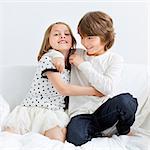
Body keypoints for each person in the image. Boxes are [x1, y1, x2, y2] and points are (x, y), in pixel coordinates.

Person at [2, 22, 101, 143]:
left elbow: (93, 53)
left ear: (72, 40)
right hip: (31, 111)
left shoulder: (72, 62)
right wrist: (94, 91)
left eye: (66, 34)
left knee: (57, 140)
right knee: (9, 139)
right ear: (48, 42)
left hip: (54, 113)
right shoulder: (48, 59)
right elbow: (63, 89)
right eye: (56, 34)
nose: (62, 36)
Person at [52, 11, 138, 146]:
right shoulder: (75, 53)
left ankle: (122, 129)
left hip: (105, 110)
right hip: (81, 114)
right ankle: (103, 132)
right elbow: (54, 50)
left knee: (127, 102)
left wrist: (83, 65)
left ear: (105, 36)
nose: (84, 43)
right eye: (82, 37)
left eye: (90, 38)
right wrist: (57, 55)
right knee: (75, 137)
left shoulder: (114, 59)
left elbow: (107, 88)